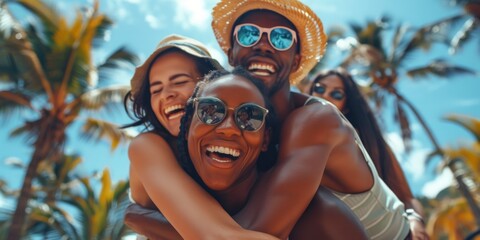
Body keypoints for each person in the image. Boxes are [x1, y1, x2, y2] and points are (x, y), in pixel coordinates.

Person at [124, 33, 366, 239]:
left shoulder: (298, 194)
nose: (167, 94)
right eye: (156, 89)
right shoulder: (149, 145)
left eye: (180, 81)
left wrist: (143, 218)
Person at [308, 69, 428, 238]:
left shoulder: (371, 143)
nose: (325, 95)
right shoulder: (296, 140)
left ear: (347, 106)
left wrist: (416, 222)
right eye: (319, 89)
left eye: (336, 94)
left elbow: (407, 197)